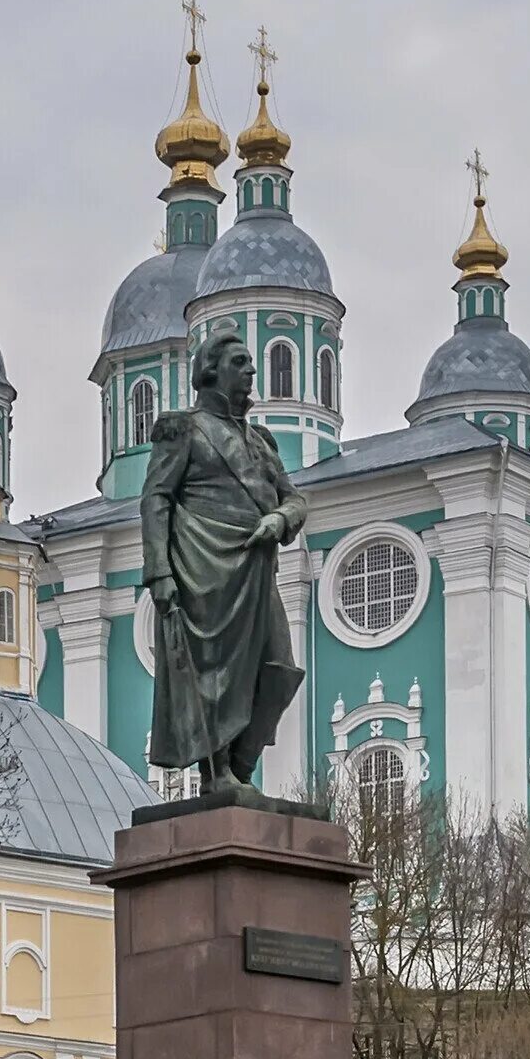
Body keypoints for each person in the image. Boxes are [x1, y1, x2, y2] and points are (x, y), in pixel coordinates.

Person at [141, 331, 307, 797]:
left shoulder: (260, 441)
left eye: (252, 363)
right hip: (204, 564)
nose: (252, 372)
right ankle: (218, 777)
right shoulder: (184, 429)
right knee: (212, 675)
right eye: (240, 362)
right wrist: (159, 571)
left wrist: (279, 517)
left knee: (277, 667)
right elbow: (156, 498)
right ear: (210, 371)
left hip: (256, 565)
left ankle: (243, 766)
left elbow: (295, 498)